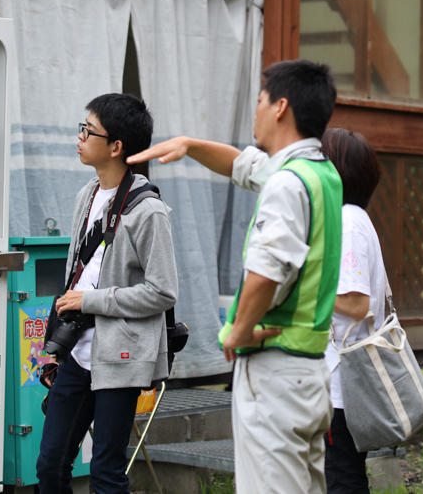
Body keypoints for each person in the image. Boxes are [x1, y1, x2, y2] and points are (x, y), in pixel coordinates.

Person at [128, 59, 341, 493]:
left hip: (275, 373)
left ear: (280, 107)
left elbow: (267, 271)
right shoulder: (320, 174)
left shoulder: (286, 184)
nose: (255, 111)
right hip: (310, 374)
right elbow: (243, 165)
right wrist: (189, 143)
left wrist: (236, 331)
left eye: (260, 101)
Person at [36, 93, 178, 494]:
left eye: (88, 130)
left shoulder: (147, 211)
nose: (79, 137)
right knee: (49, 466)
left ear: (116, 147)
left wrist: (92, 301)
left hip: (121, 356)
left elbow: (163, 291)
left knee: (106, 473)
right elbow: (77, 275)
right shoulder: (86, 195)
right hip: (77, 353)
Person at [320, 128, 386, 493]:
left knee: (340, 478)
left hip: (341, 382)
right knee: (344, 474)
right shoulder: (355, 218)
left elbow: (355, 304)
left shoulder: (345, 222)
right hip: (347, 380)